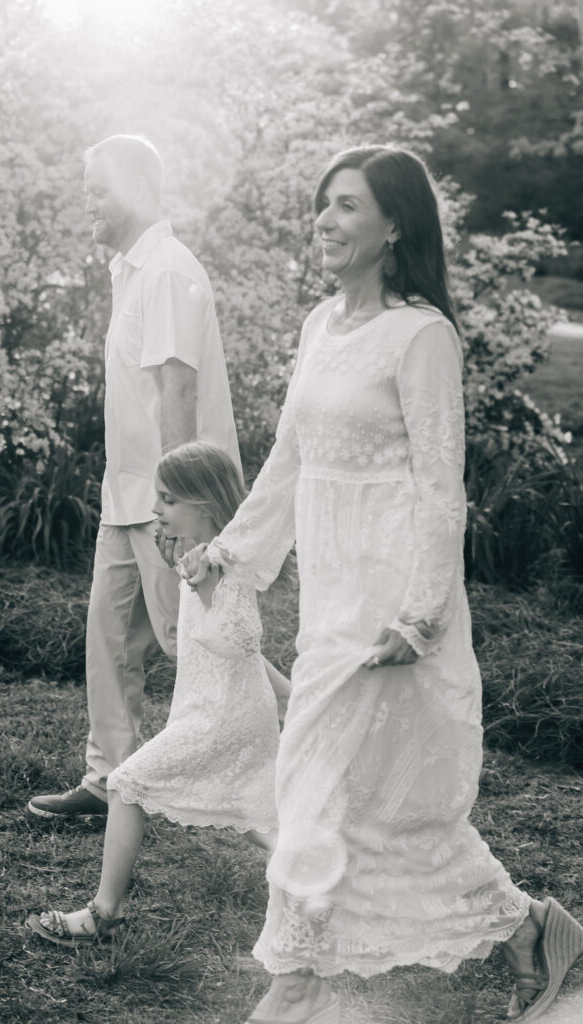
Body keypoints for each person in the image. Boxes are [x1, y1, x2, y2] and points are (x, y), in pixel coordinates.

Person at [181, 146, 583, 1024]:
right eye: (322, 204)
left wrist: (421, 614)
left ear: (394, 225)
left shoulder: (421, 335)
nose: (324, 221)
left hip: (391, 611)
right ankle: (527, 929)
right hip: (331, 606)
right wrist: (229, 551)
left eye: (347, 206)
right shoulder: (319, 326)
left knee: (319, 792)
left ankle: (291, 991)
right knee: (355, 811)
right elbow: (290, 461)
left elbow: (443, 492)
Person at [27, 134, 244, 819]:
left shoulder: (169, 271)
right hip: (126, 498)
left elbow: (177, 393)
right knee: (112, 641)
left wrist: (181, 507)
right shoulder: (130, 271)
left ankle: (279, 769)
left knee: (200, 646)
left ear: (141, 192)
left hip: (169, 502)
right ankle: (109, 780)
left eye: (98, 190)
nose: (86, 203)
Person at [26, 442, 284, 945]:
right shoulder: (202, 559)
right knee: (250, 810)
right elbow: (246, 654)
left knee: (125, 783)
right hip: (225, 706)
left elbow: (240, 639)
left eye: (166, 499)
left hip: (222, 715)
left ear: (203, 505)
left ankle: (103, 913)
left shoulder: (223, 564)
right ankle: (313, 882)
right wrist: (289, 694)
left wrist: (206, 584)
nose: (154, 510)